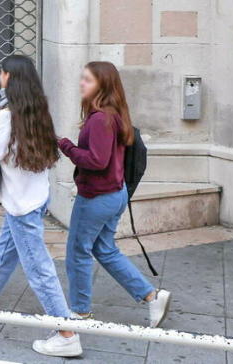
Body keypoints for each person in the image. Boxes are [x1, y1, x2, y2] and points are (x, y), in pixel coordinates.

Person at [0, 54, 82, 359]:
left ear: (9, 78)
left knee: (39, 270)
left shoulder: (7, 115)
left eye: (1, 73)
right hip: (35, 197)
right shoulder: (37, 110)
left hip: (21, 204)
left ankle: (66, 333)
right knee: (3, 257)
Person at [59, 61, 171, 326]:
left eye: (87, 80)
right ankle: (152, 297)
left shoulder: (101, 119)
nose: (81, 83)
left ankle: (80, 312)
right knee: (105, 249)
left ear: (103, 85)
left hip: (96, 197)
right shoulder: (113, 115)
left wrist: (65, 145)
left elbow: (96, 161)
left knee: (78, 252)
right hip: (114, 194)